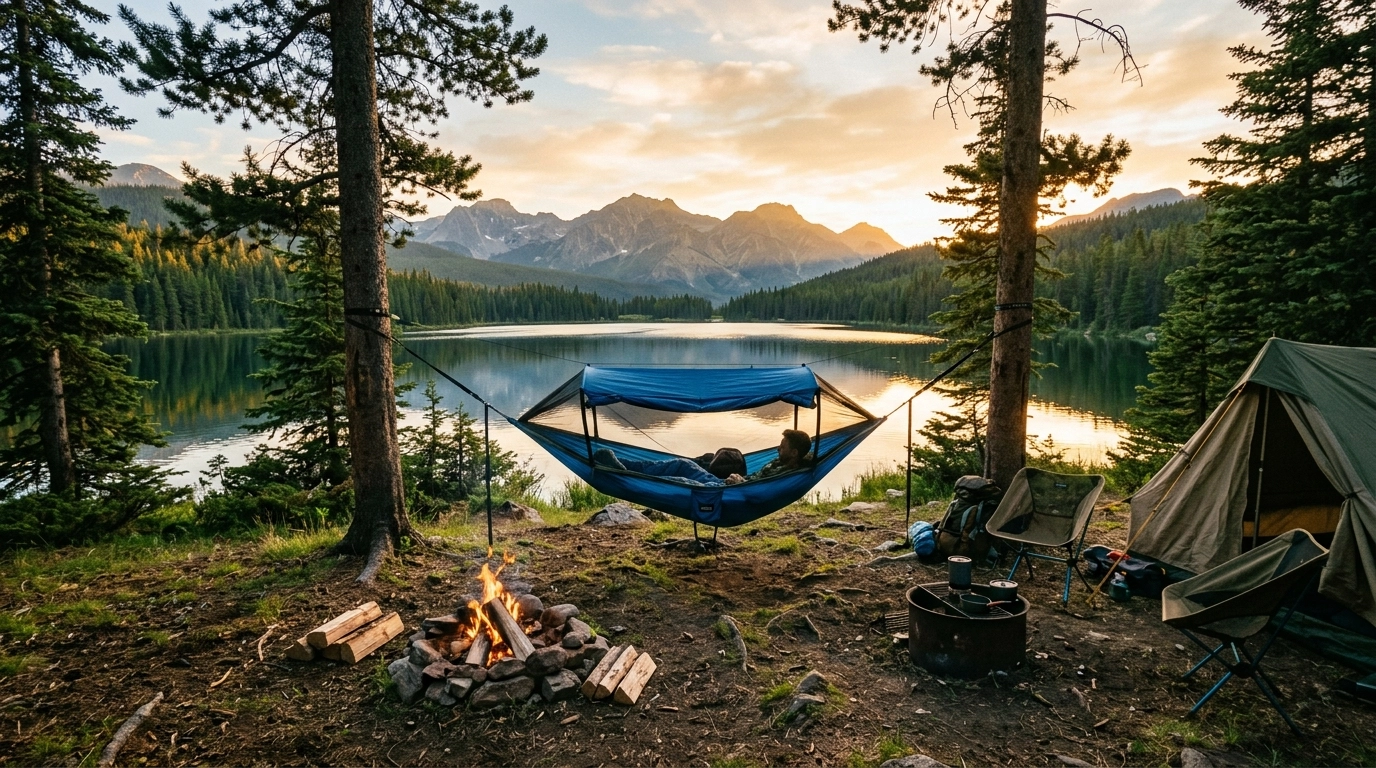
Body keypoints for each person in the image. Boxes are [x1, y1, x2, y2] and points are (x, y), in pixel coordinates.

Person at [724, 429, 812, 485]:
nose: (778, 449)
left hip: (743, 487)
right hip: (745, 480)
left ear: (794, 453)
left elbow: (758, 489)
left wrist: (740, 482)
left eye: (782, 447)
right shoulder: (781, 461)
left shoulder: (785, 474)